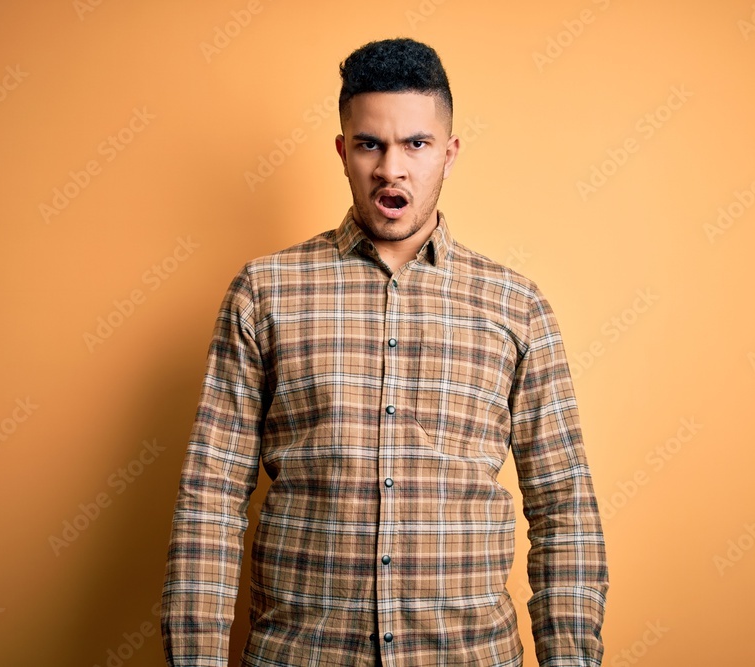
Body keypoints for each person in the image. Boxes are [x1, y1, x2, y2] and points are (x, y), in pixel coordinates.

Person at [161, 37, 609, 666]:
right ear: (344, 151)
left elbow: (564, 512)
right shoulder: (265, 293)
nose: (391, 168)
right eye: (371, 144)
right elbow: (210, 502)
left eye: (416, 144)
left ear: (449, 154)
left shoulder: (516, 307)